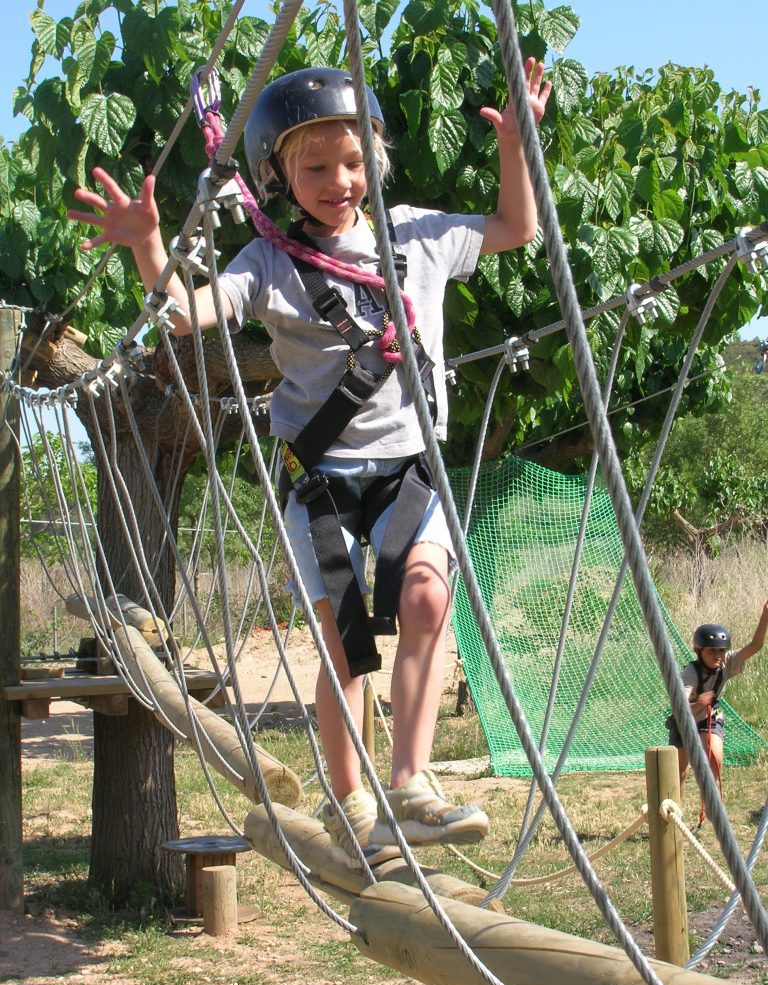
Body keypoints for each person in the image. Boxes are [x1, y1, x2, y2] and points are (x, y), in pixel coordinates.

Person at [68, 62, 552, 869]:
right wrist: (150, 246)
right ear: (279, 177)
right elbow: (187, 314)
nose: (339, 182)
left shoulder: (417, 236)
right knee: (345, 638)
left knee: (428, 599)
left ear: (376, 163)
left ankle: (411, 783)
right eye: (317, 167)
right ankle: (351, 799)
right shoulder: (269, 261)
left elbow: (515, 227)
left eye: (354, 162)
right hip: (322, 479)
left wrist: (516, 147)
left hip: (409, 469)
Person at [667, 604, 768, 798]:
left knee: (715, 758)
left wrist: (765, 615)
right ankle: (677, 809)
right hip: (683, 722)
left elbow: (755, 646)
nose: (717, 656)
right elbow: (678, 709)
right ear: (699, 651)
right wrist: (700, 703)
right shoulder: (690, 673)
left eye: (721, 651)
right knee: (680, 772)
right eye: (712, 651)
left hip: (708, 719)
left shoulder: (727, 662)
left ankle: (710, 804)